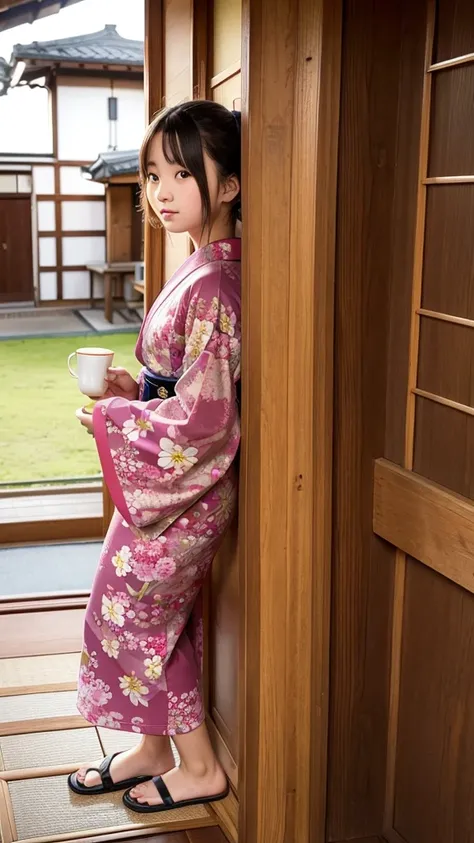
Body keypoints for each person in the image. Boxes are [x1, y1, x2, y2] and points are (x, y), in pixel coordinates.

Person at [68, 100, 241, 814]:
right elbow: (175, 386)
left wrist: (114, 419)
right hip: (171, 482)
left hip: (187, 484)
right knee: (135, 614)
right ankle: (153, 747)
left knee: (131, 615)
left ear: (228, 185)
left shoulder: (218, 285)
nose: (161, 191)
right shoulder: (200, 267)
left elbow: (204, 416)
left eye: (181, 174)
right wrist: (129, 390)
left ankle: (197, 764)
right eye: (152, 175)